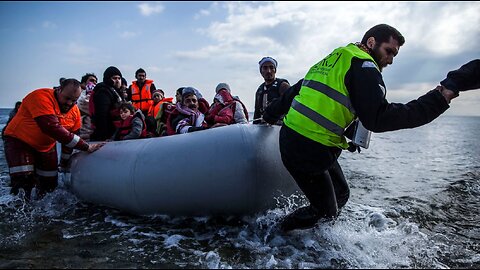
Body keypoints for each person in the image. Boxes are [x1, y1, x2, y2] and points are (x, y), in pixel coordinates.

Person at [263, 24, 467, 231]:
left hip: (303, 140)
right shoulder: (365, 66)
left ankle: (318, 230)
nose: (391, 60)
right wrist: (438, 100)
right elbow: (378, 119)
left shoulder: (336, 57)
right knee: (325, 211)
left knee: (341, 193)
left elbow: (298, 89)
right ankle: (277, 233)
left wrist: (269, 115)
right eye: (389, 51)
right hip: (307, 147)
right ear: (371, 42)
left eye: (394, 55)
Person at [3, 79, 104, 199]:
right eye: (67, 98)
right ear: (59, 89)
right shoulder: (41, 97)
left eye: (74, 101)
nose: (69, 103)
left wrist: (64, 163)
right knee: (24, 182)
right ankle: (16, 211)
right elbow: (51, 128)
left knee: (50, 184)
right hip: (20, 141)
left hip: (45, 146)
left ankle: (44, 213)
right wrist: (86, 147)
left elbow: (69, 143)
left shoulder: (75, 113)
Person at [90, 66, 125, 141]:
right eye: (114, 78)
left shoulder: (117, 92)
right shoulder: (103, 92)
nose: (117, 81)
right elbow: (101, 115)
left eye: (119, 78)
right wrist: (104, 136)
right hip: (109, 134)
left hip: (117, 131)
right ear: (108, 79)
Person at [253, 56, 290, 124]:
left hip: (280, 127)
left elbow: (291, 109)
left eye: (271, 67)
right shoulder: (259, 90)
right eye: (265, 68)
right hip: (264, 128)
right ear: (261, 71)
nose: (269, 71)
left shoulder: (283, 85)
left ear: (275, 70)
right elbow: (257, 113)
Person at [77, 73, 98, 140]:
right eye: (91, 80)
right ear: (83, 83)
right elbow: (83, 105)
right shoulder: (77, 95)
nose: (94, 83)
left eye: (95, 81)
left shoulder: (96, 95)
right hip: (81, 130)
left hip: (92, 130)